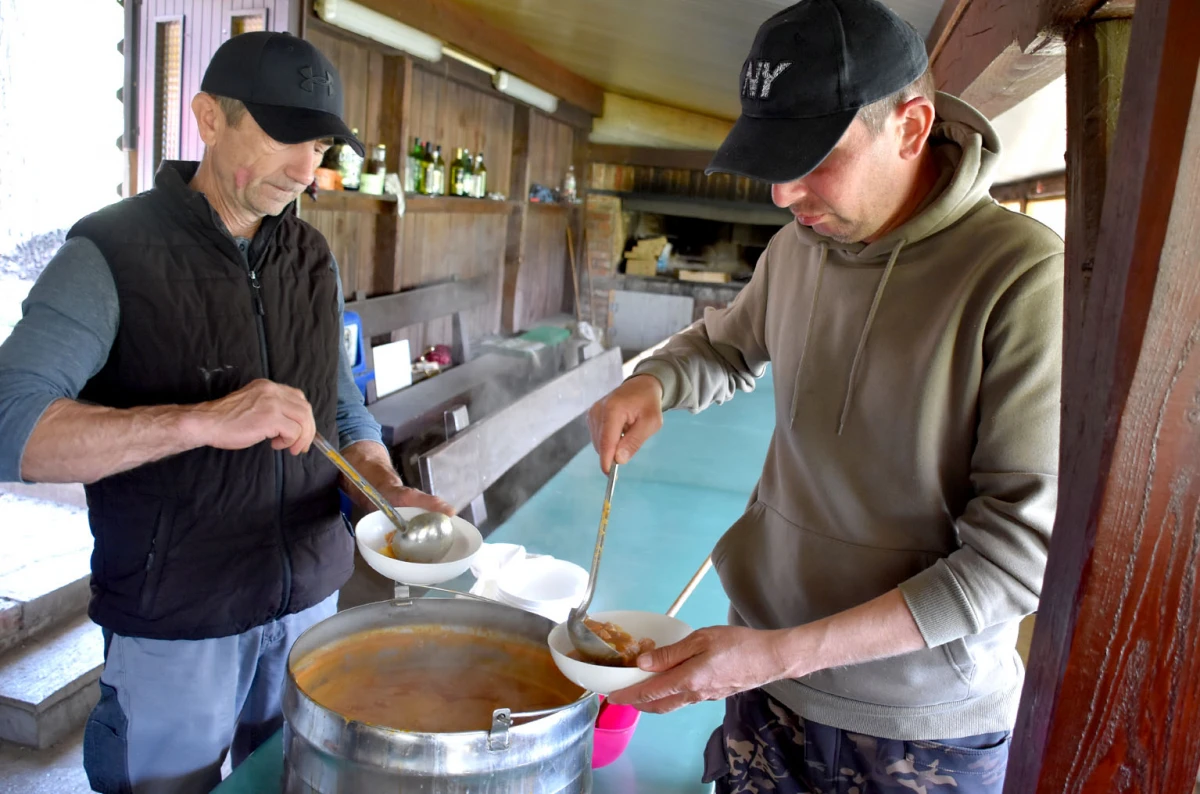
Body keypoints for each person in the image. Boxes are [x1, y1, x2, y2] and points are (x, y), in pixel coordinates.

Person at [587, 1, 1063, 791]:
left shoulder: (1023, 278)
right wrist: (654, 379)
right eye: (773, 159)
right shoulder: (798, 247)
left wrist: (785, 649)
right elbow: (724, 345)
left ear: (911, 126)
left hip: (915, 727)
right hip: (760, 680)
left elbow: (1015, 561)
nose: (782, 194)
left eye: (814, 157)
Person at [0, 32, 451, 793]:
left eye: (317, 144)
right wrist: (201, 420)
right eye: (284, 137)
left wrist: (382, 491)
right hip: (180, 618)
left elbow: (344, 412)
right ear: (209, 118)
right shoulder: (111, 252)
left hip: (310, 605)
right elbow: (14, 425)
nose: (307, 169)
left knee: (289, 782)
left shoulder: (311, 258)